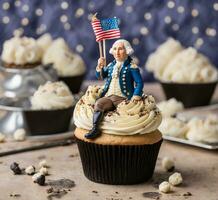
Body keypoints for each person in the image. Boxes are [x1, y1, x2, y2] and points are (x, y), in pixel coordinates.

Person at [85, 39, 144, 139]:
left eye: (120, 49)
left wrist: (136, 95)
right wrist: (99, 66)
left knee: (123, 112)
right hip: (109, 96)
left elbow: (139, 82)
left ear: (127, 51)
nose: (117, 52)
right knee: (99, 104)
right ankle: (95, 128)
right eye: (115, 49)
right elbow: (101, 76)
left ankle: (124, 133)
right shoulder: (111, 65)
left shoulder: (131, 66)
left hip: (123, 98)